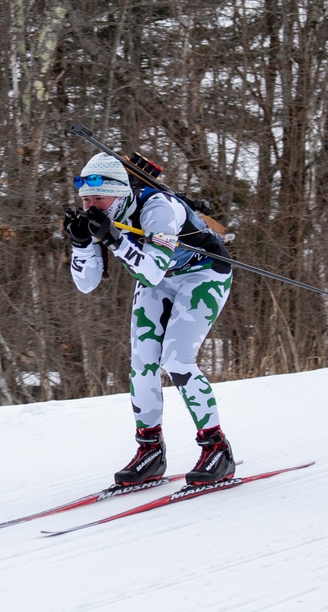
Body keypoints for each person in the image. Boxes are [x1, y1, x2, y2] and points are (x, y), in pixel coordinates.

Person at [63, 151, 235, 486]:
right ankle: (150, 450)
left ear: (121, 192)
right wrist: (81, 244)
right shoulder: (100, 215)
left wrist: (113, 240)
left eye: (99, 197)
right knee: (142, 365)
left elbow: (153, 270)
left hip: (202, 272)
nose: (91, 207)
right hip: (160, 278)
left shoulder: (158, 207)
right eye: (85, 200)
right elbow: (87, 284)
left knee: (177, 360)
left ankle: (217, 448)